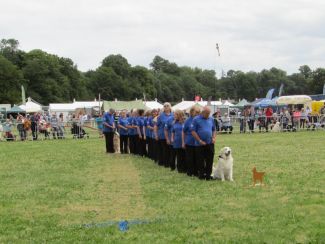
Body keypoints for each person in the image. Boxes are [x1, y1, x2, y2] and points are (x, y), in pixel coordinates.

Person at [191, 106, 216, 180]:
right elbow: (193, 131)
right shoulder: (196, 119)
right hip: (199, 144)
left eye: (209, 113)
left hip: (210, 143)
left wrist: (214, 138)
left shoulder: (211, 119)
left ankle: (208, 175)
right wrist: (199, 140)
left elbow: (214, 129)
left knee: (210, 160)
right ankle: (201, 175)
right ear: (203, 112)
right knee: (200, 160)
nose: (208, 115)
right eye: (207, 113)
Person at [183, 105, 201, 176]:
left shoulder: (200, 119)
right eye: (196, 112)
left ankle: (196, 172)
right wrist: (183, 142)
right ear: (192, 112)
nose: (197, 113)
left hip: (198, 142)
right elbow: (184, 132)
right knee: (190, 158)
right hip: (190, 142)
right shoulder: (188, 121)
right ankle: (190, 171)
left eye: (198, 112)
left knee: (197, 158)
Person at [154, 103, 173, 167]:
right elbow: (156, 126)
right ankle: (163, 162)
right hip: (162, 135)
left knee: (170, 151)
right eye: (165, 106)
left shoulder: (173, 115)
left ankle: (170, 163)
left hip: (170, 135)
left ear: (170, 107)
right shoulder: (160, 116)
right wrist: (156, 135)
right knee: (163, 150)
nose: (166, 107)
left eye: (167, 106)